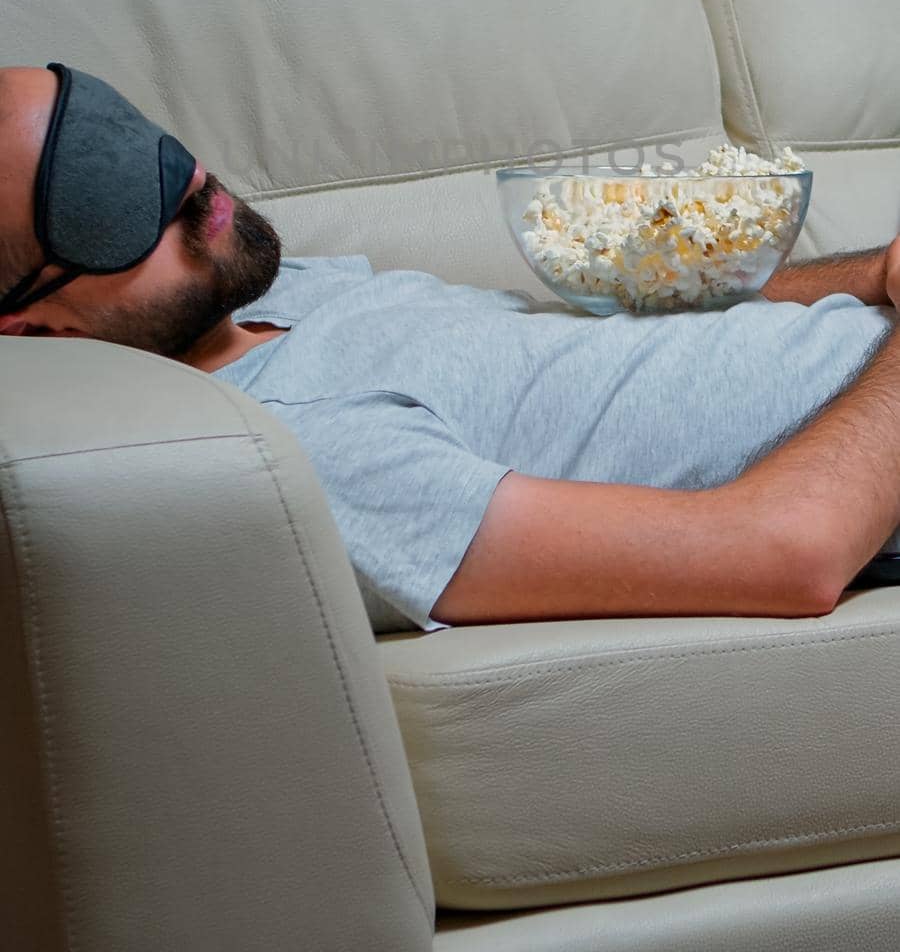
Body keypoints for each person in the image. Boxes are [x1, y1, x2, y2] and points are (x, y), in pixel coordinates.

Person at [1, 62, 899, 636]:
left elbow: (613, 337)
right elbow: (789, 552)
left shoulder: (269, 291)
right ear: (34, 329)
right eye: (103, 197)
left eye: (125, 131)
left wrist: (878, 271)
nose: (190, 181)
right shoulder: (295, 454)